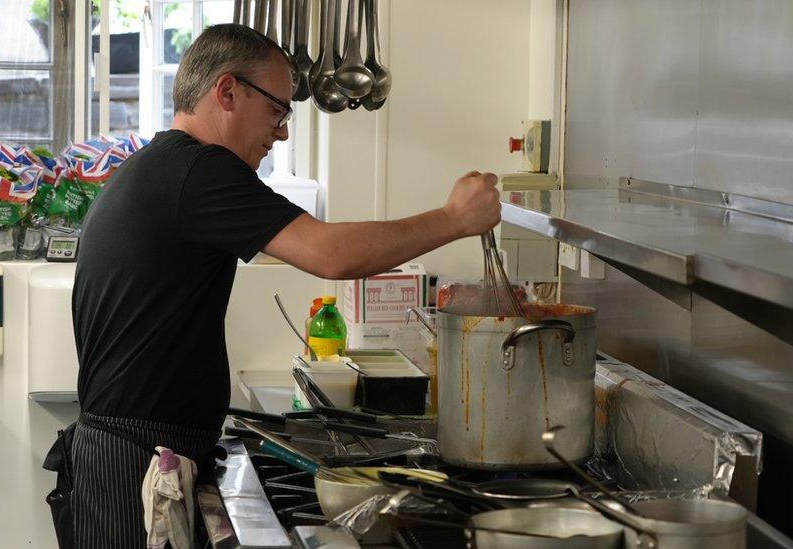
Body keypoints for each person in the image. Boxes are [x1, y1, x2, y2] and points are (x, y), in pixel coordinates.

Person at [70, 24, 501, 547]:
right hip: (134, 463)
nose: (282, 133)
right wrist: (455, 218)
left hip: (132, 452)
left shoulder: (162, 166)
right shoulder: (200, 171)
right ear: (227, 92)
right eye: (278, 110)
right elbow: (330, 253)